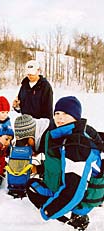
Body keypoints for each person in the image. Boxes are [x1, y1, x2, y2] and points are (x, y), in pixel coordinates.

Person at [23, 96, 104, 230]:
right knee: (32, 185)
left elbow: (73, 191)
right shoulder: (67, 135)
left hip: (83, 198)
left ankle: (76, 217)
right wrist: (40, 169)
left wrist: (48, 211)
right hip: (76, 187)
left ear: (76, 116)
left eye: (66, 114)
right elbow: (61, 164)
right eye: (57, 113)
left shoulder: (77, 145)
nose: (60, 118)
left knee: (34, 190)